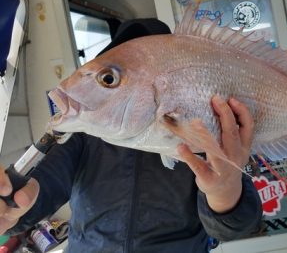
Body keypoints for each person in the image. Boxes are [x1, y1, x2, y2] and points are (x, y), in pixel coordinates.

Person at [0, 18, 262, 252]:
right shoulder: (83, 133)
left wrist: (225, 192)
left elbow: (235, 227)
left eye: (109, 80)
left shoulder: (199, 131)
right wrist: (16, 204)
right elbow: (45, 182)